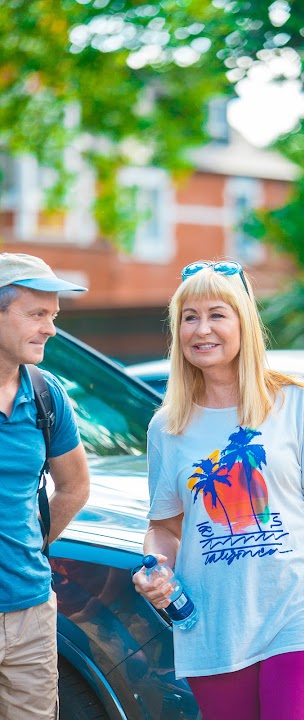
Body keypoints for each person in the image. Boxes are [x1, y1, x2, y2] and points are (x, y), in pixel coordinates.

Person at [133, 259, 304, 720]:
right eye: (189, 317)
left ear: (243, 322)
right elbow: (165, 525)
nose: (201, 329)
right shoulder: (167, 426)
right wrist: (156, 568)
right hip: (213, 622)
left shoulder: (295, 401)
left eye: (216, 314)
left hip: (301, 610)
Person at [0, 253, 90, 720]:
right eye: (37, 315)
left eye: (52, 316)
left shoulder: (45, 393)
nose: (50, 329)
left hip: (30, 613)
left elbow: (74, 486)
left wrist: (30, 549)